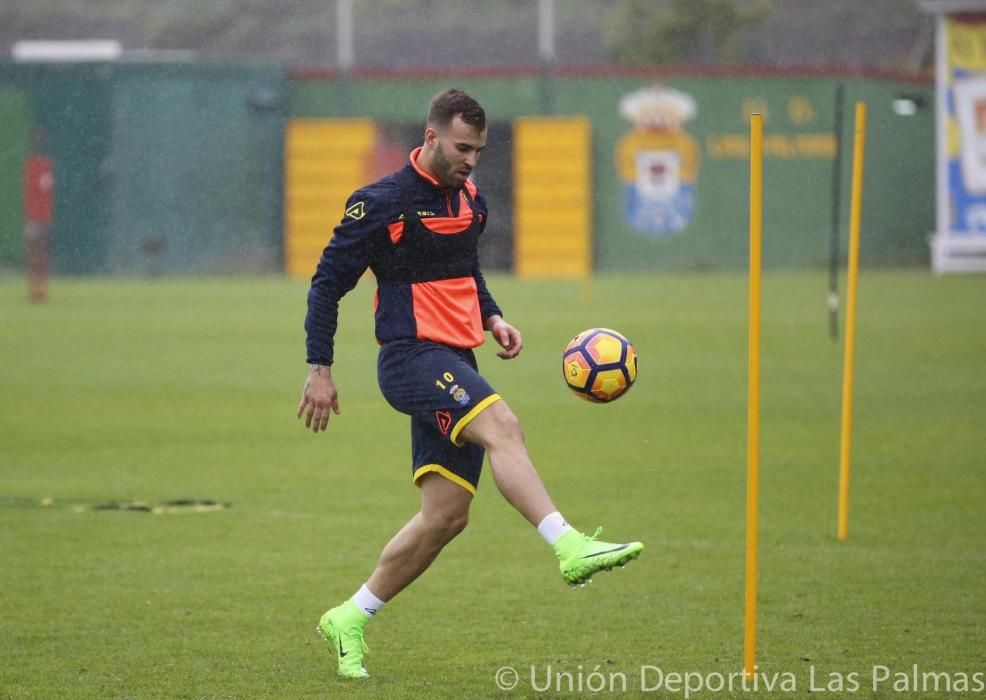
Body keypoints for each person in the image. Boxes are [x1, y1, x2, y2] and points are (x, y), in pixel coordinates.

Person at [297, 88, 643, 680]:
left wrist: (493, 316)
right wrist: (319, 370)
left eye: (478, 150)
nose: (471, 160)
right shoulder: (380, 203)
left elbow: (465, 269)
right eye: (462, 148)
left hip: (458, 359)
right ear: (430, 138)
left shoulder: (470, 199)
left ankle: (349, 616)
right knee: (503, 425)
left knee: (446, 516)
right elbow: (327, 284)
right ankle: (569, 545)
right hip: (409, 360)